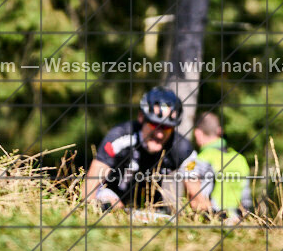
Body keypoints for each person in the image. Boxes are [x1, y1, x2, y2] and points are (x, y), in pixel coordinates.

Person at [82, 86, 213, 213]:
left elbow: (196, 195)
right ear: (141, 117)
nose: (160, 134)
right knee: (107, 199)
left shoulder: (182, 148)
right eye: (154, 124)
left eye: (167, 128)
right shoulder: (120, 137)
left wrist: (209, 213)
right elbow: (89, 188)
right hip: (111, 199)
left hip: (150, 210)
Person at [191, 112, 254, 224]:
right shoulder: (239, 159)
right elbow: (246, 199)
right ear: (219, 131)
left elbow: (196, 196)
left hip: (210, 221)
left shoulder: (200, 159)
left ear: (198, 133)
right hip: (236, 222)